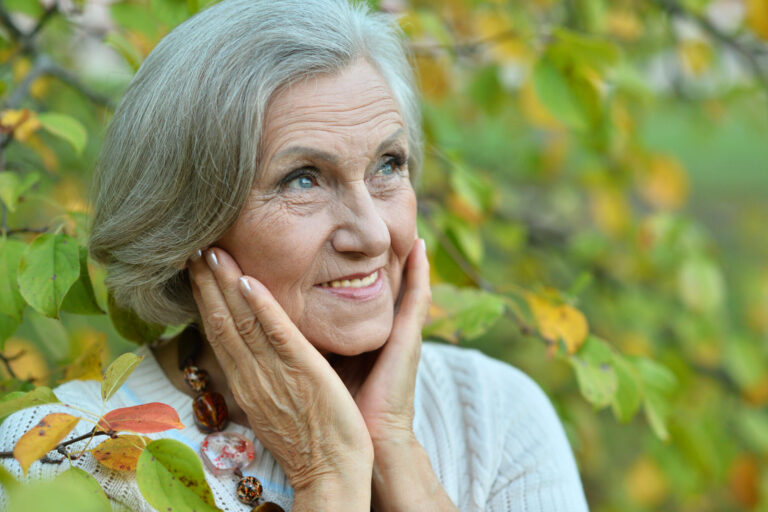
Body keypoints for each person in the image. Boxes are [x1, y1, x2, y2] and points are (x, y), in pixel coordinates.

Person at [0, 0, 590, 510]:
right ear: (189, 224)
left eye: (389, 165)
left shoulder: (493, 413)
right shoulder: (67, 454)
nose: (374, 235)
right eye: (303, 179)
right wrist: (324, 476)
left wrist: (395, 452)